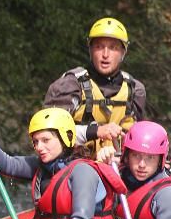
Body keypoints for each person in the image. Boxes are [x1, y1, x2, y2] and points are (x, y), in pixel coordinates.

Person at [43, 17, 147, 162]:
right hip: (74, 167)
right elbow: (47, 135)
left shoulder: (135, 90)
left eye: (113, 48)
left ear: (123, 52)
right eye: (99, 47)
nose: (105, 54)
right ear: (90, 50)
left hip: (119, 168)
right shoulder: (70, 85)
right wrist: (96, 131)